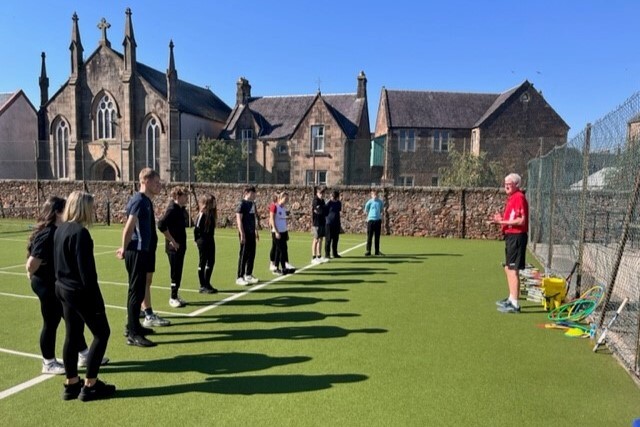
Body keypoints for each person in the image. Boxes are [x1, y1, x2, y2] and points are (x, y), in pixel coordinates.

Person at [26, 197, 108, 375]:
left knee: (72, 322)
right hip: (47, 284)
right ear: (57, 212)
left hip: (58, 283)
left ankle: (84, 354)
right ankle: (48, 361)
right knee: (52, 321)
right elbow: (31, 263)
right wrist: (31, 275)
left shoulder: (59, 230)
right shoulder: (49, 233)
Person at [54, 191, 115, 401]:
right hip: (78, 291)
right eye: (91, 207)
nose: (94, 211)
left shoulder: (60, 229)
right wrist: (97, 302)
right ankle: (90, 384)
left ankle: (71, 383)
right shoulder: (80, 234)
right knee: (102, 333)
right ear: (83, 208)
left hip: (62, 288)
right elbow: (87, 274)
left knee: (72, 334)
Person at [116, 168, 168, 348]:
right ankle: (132, 333)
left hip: (143, 251)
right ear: (145, 181)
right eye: (156, 182)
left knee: (139, 290)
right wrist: (124, 248)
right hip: (136, 251)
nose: (159, 185)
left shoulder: (146, 201)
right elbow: (128, 227)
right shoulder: (138, 200)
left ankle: (134, 325)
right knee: (135, 291)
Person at [491, 173, 529, 314]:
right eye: (505, 182)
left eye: (509, 183)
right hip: (510, 236)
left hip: (517, 237)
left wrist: (502, 222)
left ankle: (515, 304)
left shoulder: (519, 197)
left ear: (516, 185)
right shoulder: (512, 198)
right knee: (508, 268)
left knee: (513, 269)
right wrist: (501, 219)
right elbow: (512, 217)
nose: (506, 185)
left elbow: (521, 220)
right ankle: (511, 297)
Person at [157, 186, 189, 307]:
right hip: (173, 248)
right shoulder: (172, 209)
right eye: (185, 196)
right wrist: (172, 240)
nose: (187, 198)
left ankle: (176, 294)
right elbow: (161, 225)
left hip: (181, 246)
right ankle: (172, 297)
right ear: (178, 196)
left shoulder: (180, 209)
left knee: (179, 271)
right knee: (175, 272)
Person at [194, 194, 218, 294]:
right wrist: (196, 240)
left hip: (210, 240)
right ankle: (202, 285)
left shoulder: (211, 214)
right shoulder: (202, 214)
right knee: (203, 262)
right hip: (203, 241)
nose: (215, 203)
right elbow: (196, 229)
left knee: (211, 261)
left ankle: (207, 283)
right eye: (213, 201)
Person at [235, 186, 259, 286]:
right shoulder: (242, 204)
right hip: (244, 232)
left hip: (251, 232)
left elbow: (254, 217)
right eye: (252, 193)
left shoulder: (252, 204)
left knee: (252, 254)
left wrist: (256, 231)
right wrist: (242, 233)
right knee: (243, 254)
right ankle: (239, 276)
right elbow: (239, 219)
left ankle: (248, 274)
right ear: (247, 193)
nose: (254, 195)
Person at [270, 191, 296, 275]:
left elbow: (282, 220)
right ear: (280, 198)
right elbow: (272, 220)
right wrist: (276, 232)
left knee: (282, 250)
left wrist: (286, 232)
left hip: (283, 232)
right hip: (277, 232)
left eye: (287, 198)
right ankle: (280, 267)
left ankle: (280, 267)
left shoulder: (283, 208)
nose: (287, 200)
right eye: (285, 198)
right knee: (281, 250)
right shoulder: (274, 207)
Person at [364, 189, 384, 256]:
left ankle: (377, 251)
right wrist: (369, 216)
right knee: (369, 236)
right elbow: (366, 209)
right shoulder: (369, 202)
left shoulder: (380, 202)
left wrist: (378, 216)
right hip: (371, 220)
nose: (375, 196)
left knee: (377, 237)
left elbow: (381, 209)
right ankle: (368, 250)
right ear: (371, 195)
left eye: (376, 195)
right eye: (373, 195)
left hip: (378, 220)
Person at [311, 186, 329, 264]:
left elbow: (325, 211)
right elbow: (319, 210)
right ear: (317, 193)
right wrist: (322, 210)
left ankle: (319, 256)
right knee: (316, 239)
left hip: (322, 221)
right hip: (316, 223)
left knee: (321, 239)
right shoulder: (315, 201)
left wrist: (323, 210)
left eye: (323, 193)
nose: (322, 194)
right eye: (320, 193)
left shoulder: (322, 201)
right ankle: (313, 257)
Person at [325, 190, 342, 259]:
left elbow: (339, 210)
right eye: (332, 196)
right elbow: (325, 208)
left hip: (336, 223)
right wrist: (329, 200)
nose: (333, 198)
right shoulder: (329, 203)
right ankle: (327, 254)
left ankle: (335, 253)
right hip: (329, 223)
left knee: (335, 239)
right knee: (328, 239)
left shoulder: (339, 203)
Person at [267, 192, 278, 272]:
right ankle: (272, 263)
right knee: (274, 246)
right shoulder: (273, 206)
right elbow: (271, 218)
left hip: (279, 229)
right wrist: (272, 228)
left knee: (279, 247)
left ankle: (277, 263)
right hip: (275, 229)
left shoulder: (279, 206)